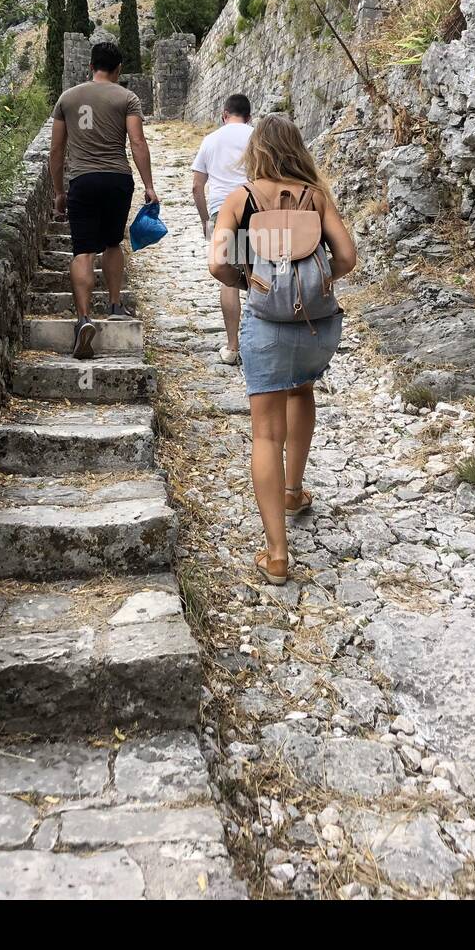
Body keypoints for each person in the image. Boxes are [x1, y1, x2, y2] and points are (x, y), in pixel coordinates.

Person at [209, 113, 356, 587]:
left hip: (266, 326)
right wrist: (317, 281)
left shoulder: (241, 199)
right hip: (315, 325)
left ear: (258, 151)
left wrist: (247, 279)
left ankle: (276, 554)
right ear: (297, 148)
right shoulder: (316, 197)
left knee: (265, 435)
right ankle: (294, 491)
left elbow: (218, 263)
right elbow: (348, 257)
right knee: (302, 389)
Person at [49, 40, 158, 357]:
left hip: (82, 181)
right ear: (118, 68)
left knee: (83, 250)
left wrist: (59, 193)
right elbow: (137, 142)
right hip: (117, 180)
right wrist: (149, 185)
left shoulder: (67, 99)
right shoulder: (127, 97)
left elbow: (56, 151)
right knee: (112, 243)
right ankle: (115, 305)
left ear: (90, 66)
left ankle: (84, 318)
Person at [191, 94, 254, 366]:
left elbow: (197, 186)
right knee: (259, 271)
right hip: (256, 207)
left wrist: (207, 221)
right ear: (249, 116)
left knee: (228, 276)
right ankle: (260, 341)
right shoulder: (257, 136)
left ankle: (232, 347)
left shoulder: (211, 140)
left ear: (224, 114)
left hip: (223, 211)